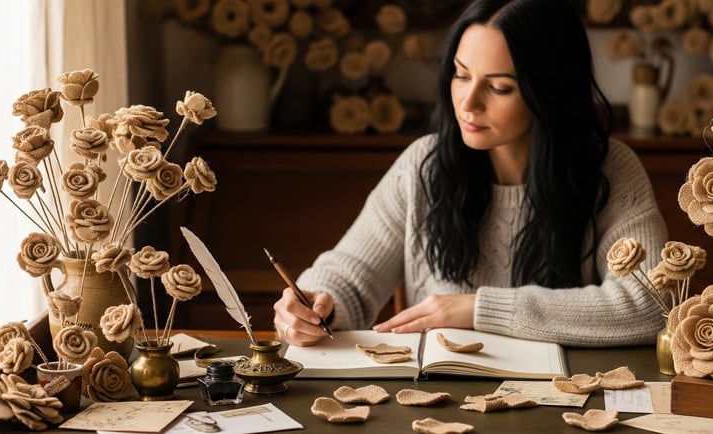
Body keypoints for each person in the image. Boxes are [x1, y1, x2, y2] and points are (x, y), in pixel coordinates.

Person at [272, 0, 668, 348]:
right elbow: (350, 274)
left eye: (498, 87)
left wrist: (478, 308)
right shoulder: (423, 164)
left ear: (550, 93)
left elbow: (652, 304)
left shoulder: (610, 169)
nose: (467, 102)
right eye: (461, 75)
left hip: (564, 403)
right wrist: (314, 303)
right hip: (438, 406)